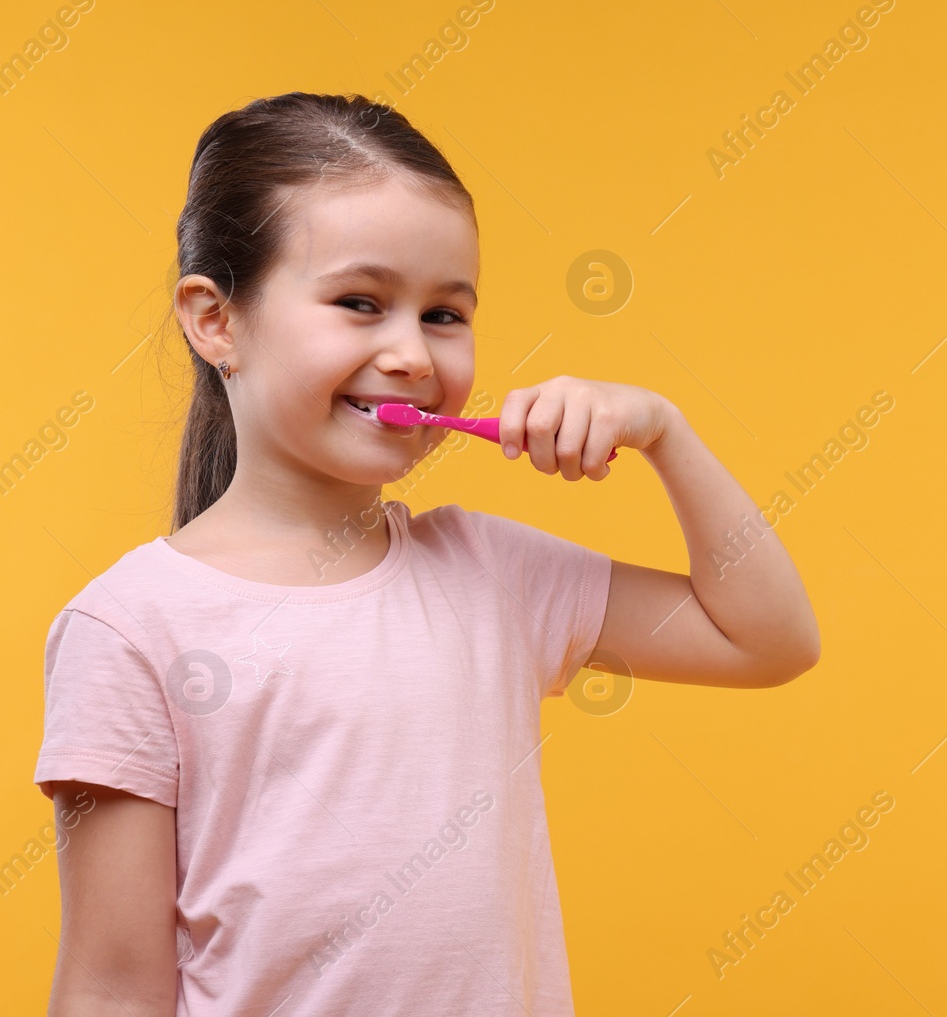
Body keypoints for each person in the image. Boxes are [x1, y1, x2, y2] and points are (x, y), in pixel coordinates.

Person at [33, 92, 820, 1017]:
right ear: (216, 321)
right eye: (359, 302)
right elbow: (112, 988)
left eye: (446, 314)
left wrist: (665, 434)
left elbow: (769, 640)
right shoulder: (129, 629)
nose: (411, 352)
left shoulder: (491, 573)